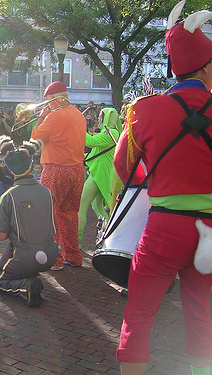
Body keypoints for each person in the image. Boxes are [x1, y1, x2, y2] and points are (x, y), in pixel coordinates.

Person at [114, 4, 212, 375]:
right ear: (204, 67)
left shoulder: (145, 109)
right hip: (210, 232)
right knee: (201, 316)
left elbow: (125, 170)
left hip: (164, 230)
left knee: (138, 318)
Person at [0, 136, 58, 307]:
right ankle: (30, 275)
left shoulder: (8, 196)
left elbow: (1, 235)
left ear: (11, 170)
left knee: (0, 281)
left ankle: (25, 285)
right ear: (30, 166)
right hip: (51, 254)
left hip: (25, 256)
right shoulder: (46, 191)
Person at [31, 81, 86, 270]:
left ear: (55, 99)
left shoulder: (53, 117)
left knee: (49, 215)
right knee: (70, 215)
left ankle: (55, 260)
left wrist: (41, 117)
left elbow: (35, 137)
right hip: (78, 170)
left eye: (48, 101)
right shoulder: (79, 115)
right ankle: (73, 256)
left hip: (56, 170)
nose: (47, 105)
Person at [78, 107, 121, 249]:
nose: (99, 119)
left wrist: (77, 124)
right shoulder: (108, 132)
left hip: (99, 173)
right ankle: (109, 237)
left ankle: (76, 242)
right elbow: (96, 152)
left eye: (102, 116)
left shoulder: (111, 133)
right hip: (99, 172)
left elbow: (89, 141)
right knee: (99, 208)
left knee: (81, 207)